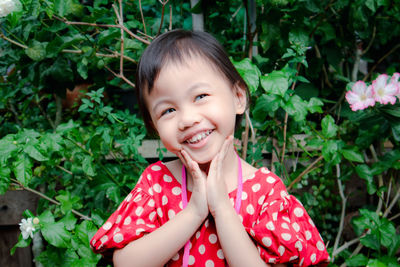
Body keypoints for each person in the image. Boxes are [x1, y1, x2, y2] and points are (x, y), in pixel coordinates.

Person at [90, 29, 330, 267]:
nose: (187, 119)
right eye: (168, 111)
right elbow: (126, 263)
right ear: (154, 126)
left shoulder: (265, 193)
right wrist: (194, 212)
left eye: (200, 96)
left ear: (237, 97)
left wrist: (222, 209)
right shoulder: (157, 184)